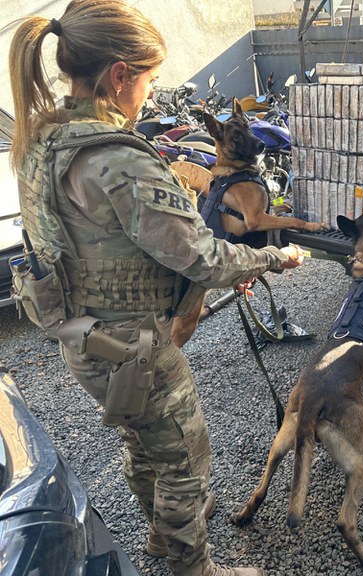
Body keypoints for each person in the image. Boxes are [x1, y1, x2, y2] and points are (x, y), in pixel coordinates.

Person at [7, 2, 302, 575]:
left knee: (145, 443)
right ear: (119, 76)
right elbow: (204, 256)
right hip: (133, 349)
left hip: (84, 340)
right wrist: (272, 257)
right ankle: (191, 565)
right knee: (185, 463)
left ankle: (164, 531)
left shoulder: (43, 138)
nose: (150, 91)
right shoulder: (114, 158)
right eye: (148, 78)